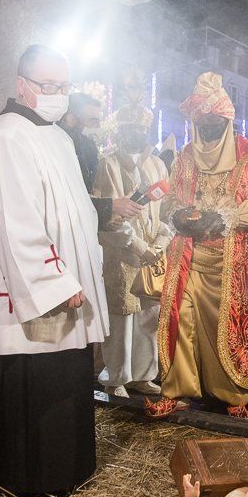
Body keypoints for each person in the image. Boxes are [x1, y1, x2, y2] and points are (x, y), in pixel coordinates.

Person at [0, 44, 109, 497]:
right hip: (35, 290)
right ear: (21, 85)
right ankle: (29, 480)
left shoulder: (57, 136)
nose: (59, 95)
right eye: (50, 87)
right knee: (35, 384)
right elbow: (16, 223)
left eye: (65, 87)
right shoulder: (6, 136)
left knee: (66, 378)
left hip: (69, 283)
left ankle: (66, 472)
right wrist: (55, 282)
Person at [145, 72, 248, 419]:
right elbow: (171, 200)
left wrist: (225, 218)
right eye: (203, 123)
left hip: (233, 260)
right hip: (189, 255)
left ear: (228, 121)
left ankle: (232, 393)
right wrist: (181, 216)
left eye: (216, 123)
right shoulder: (186, 156)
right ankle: (177, 389)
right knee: (180, 318)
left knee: (227, 325)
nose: (209, 130)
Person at [92, 102, 172, 398]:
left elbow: (168, 210)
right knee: (122, 318)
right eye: (129, 129)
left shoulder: (158, 165)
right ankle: (115, 378)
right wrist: (140, 247)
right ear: (120, 131)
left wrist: (160, 245)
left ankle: (142, 374)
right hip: (123, 255)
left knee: (148, 319)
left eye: (140, 129)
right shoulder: (108, 163)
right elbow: (110, 218)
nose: (135, 133)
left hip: (152, 253)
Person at [59, 92, 143, 227]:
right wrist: (111, 206)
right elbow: (64, 199)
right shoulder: (59, 149)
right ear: (72, 119)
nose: (98, 126)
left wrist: (105, 223)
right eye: (93, 120)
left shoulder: (86, 146)